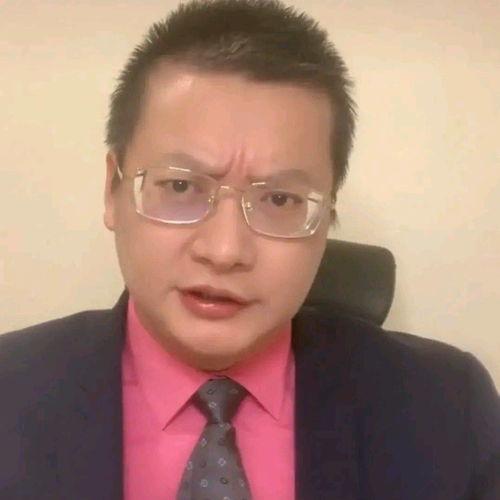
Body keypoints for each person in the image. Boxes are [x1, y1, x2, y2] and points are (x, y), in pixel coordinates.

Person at [1, 0, 499, 498]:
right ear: (113, 191)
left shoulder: (450, 409)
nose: (224, 251)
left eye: (279, 199)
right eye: (180, 186)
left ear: (328, 216)